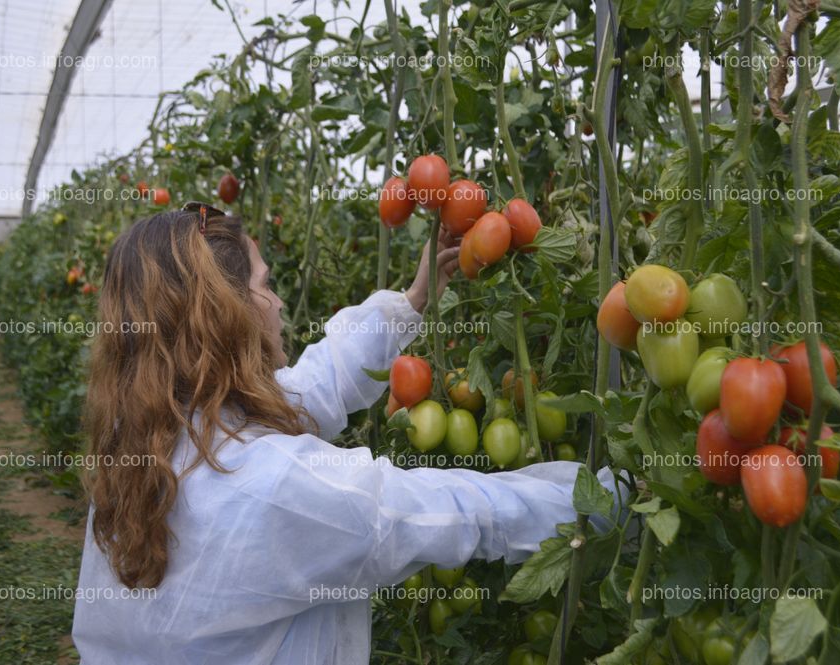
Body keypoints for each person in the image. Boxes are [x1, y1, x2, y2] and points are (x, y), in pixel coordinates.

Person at [71, 203, 623, 664]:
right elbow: (457, 510)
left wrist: (413, 300)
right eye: (266, 286)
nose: (280, 303)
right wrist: (613, 496)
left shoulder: (143, 440)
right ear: (229, 313)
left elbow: (310, 389)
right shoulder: (275, 488)